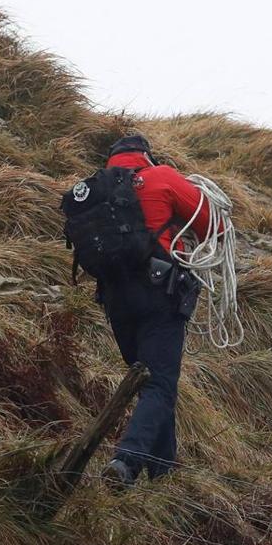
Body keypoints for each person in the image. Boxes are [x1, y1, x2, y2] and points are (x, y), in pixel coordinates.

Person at [96, 135, 214, 487]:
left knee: (151, 383)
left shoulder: (96, 188)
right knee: (159, 384)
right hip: (158, 293)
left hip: (115, 299)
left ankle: (164, 477)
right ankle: (126, 462)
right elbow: (214, 226)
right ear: (146, 156)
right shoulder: (160, 176)